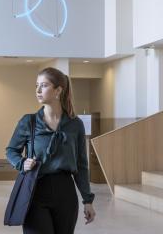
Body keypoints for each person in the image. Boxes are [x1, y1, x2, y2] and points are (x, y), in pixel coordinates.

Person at [6, 67, 96, 234]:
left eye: (44, 85)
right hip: (35, 190)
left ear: (58, 90)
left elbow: (82, 165)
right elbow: (11, 151)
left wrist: (87, 200)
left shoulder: (75, 124)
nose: (38, 90)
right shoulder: (29, 121)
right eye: (36, 85)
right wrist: (22, 163)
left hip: (65, 193)